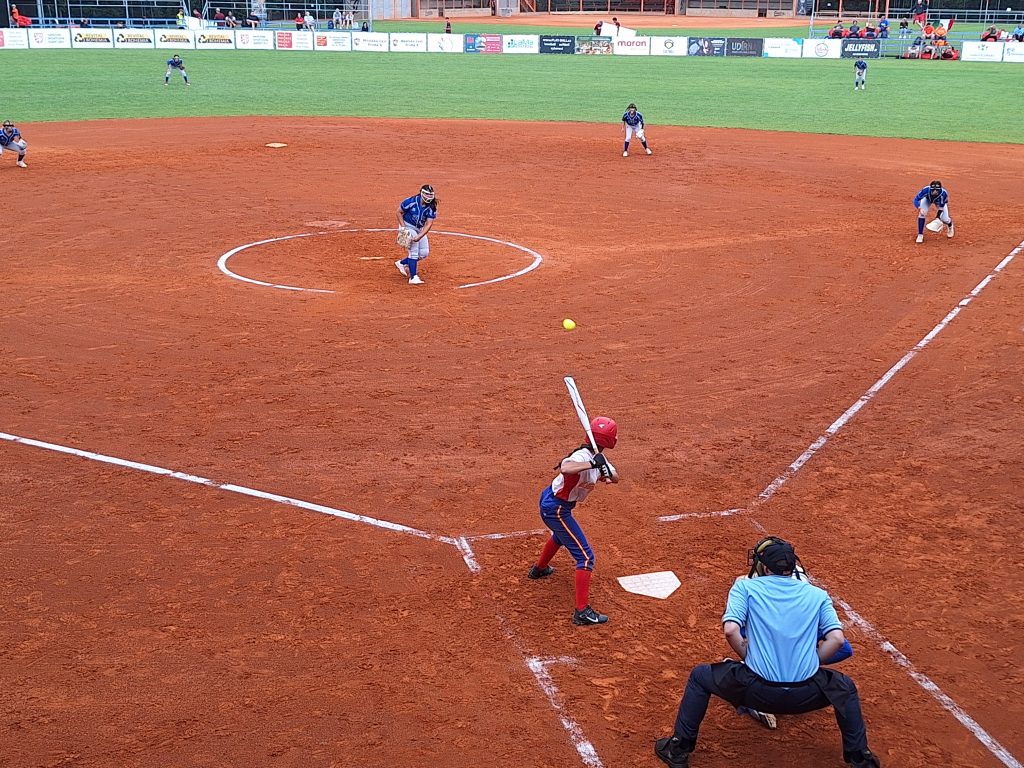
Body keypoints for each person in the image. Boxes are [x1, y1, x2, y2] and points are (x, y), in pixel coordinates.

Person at [654, 536, 882, 768]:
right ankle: (861, 759)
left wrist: (748, 658)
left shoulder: (745, 587)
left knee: (700, 677)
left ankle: (678, 749)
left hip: (755, 690)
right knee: (845, 688)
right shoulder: (818, 595)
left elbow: (731, 630)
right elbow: (838, 640)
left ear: (764, 567)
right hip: (806, 695)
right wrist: (812, 662)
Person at [526, 416, 619, 626]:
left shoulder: (597, 457)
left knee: (561, 536)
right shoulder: (583, 456)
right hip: (556, 509)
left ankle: (539, 569)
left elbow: (615, 477)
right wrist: (592, 464)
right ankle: (582, 612)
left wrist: (605, 470)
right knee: (585, 558)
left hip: (555, 504)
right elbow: (566, 468)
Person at [394, 184, 437, 286]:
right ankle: (413, 277)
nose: (428, 198)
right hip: (407, 226)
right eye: (426, 195)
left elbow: (429, 224)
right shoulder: (411, 201)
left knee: (424, 252)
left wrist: (420, 236)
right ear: (421, 193)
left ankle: (402, 263)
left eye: (430, 195)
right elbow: (398, 212)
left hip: (419, 229)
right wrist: (403, 228)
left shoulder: (431, 206)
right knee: (414, 251)